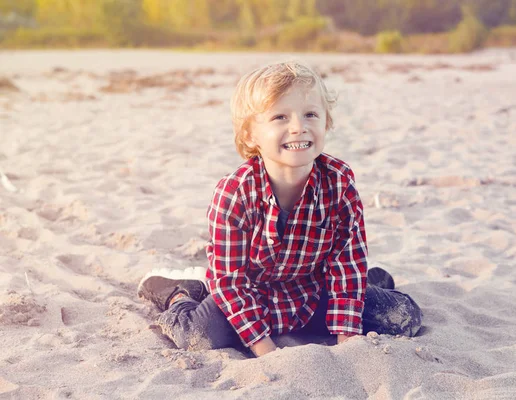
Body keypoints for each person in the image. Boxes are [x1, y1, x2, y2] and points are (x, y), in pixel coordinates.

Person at [138, 61, 422, 357]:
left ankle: (372, 279)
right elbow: (230, 281)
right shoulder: (235, 193)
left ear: (326, 121)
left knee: (403, 317)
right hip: (252, 294)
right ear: (250, 135)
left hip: (312, 291)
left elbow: (345, 261)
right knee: (196, 335)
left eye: (310, 114)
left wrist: (348, 341)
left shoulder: (339, 181)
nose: (298, 127)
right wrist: (265, 348)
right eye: (280, 117)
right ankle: (179, 292)